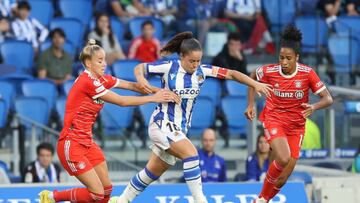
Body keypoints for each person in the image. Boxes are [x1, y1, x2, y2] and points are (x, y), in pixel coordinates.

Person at [110, 31, 271, 203]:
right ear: (181, 57)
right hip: (162, 123)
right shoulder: (169, 67)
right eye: (191, 61)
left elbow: (232, 74)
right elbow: (139, 67)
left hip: (179, 128)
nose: (195, 65)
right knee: (192, 154)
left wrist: (255, 83)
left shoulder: (203, 70)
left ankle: (121, 200)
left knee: (152, 172)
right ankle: (199, 200)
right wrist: (141, 79)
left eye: (198, 61)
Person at [38, 39, 180, 203]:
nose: (104, 64)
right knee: (97, 194)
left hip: (87, 143)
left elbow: (133, 86)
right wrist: (153, 98)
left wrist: (162, 91)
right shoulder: (87, 82)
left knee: (106, 191)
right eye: (99, 61)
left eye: (104, 59)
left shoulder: (103, 79)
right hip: (71, 144)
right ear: (88, 63)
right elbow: (122, 101)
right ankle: (51, 197)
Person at [245, 25, 333, 203]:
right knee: (283, 158)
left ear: (297, 58)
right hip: (274, 119)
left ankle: (263, 200)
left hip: (296, 126)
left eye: (288, 58)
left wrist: (314, 107)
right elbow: (252, 76)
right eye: (281, 58)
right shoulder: (270, 71)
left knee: (284, 177)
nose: (284, 62)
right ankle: (262, 197)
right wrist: (251, 103)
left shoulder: (307, 74)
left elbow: (328, 99)